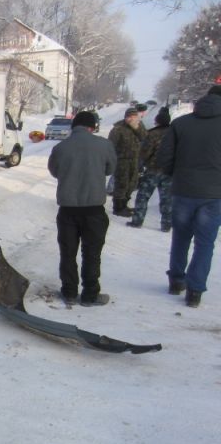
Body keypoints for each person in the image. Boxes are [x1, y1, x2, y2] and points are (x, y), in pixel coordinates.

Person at [156, 85, 221, 308]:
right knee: (205, 243)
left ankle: (176, 280)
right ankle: (195, 291)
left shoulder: (180, 123)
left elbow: (164, 156)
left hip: (183, 189)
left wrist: (174, 174)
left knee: (181, 237)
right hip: (214, 194)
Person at [48, 111, 117, 306]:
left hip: (68, 210)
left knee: (68, 253)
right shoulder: (104, 145)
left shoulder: (60, 147)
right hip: (94, 210)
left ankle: (69, 292)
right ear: (92, 127)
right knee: (92, 254)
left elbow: (54, 171)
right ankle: (90, 295)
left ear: (74, 127)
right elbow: (110, 169)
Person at [127, 106, 172, 231]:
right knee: (167, 199)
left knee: (143, 196)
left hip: (153, 170)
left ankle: (137, 220)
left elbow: (145, 152)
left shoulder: (152, 134)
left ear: (157, 121)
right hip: (169, 171)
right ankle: (166, 224)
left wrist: (140, 166)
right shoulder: (175, 134)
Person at [108, 107, 147, 216]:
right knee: (122, 184)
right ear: (126, 117)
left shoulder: (139, 126)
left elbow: (144, 137)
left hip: (135, 160)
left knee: (132, 184)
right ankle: (118, 207)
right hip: (122, 161)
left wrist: (136, 128)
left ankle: (124, 205)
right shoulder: (118, 128)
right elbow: (110, 145)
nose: (132, 119)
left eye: (134, 117)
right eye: (130, 117)